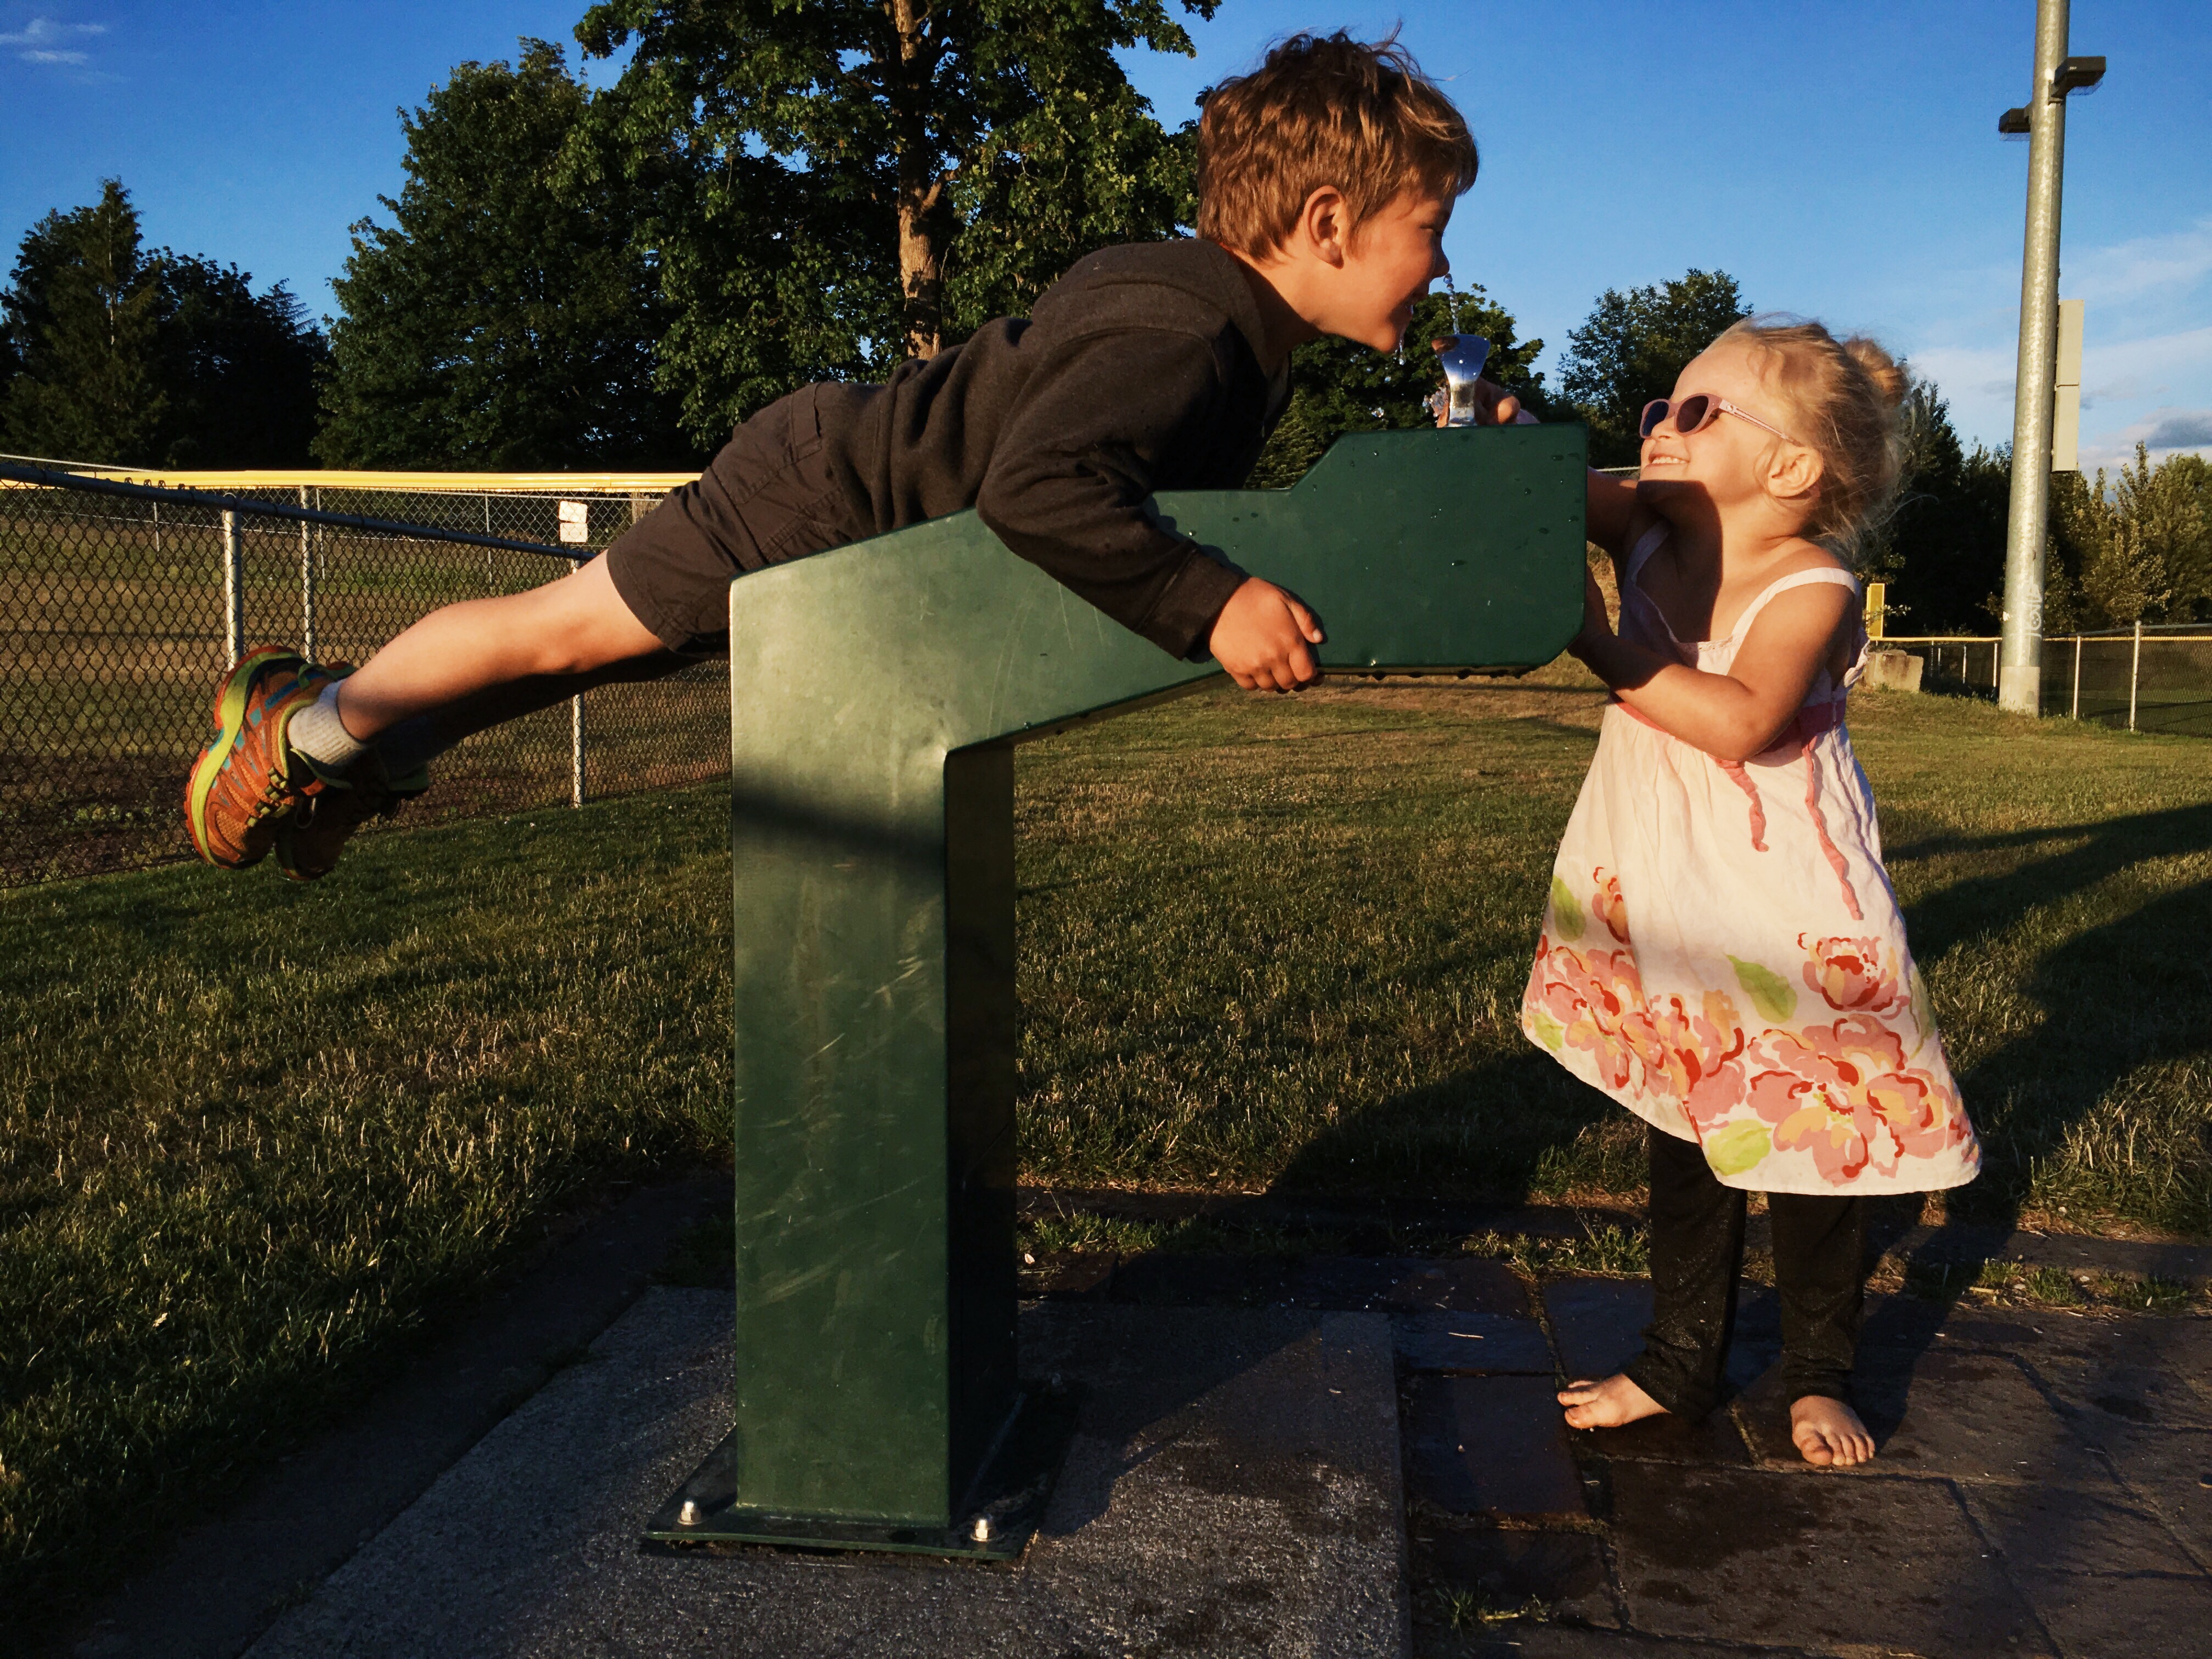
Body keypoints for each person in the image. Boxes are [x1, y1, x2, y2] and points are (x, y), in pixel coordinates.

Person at [185, 31, 1525, 881]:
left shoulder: (1221, 328)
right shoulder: (1184, 334)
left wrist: (1468, 485)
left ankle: (348, 753)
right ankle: (303, 725)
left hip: (851, 511)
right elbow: (1042, 491)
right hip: (823, 499)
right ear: (1331, 219)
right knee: (558, 633)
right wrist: (1211, 599)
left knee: (581, 661)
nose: (1447, 259)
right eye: (1432, 225)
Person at [1521, 318, 1979, 1467]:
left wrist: (1595, 643)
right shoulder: (1650, 519)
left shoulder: (1813, 587)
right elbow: (1541, 477)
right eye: (1657, 410)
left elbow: (1741, 719)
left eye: (1694, 412)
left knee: (1813, 1149)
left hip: (1789, 911)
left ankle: (1819, 1372)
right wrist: (1491, 434)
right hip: (1672, 886)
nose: (1658, 429)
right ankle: (1682, 1358)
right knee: (1685, 1123)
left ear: (1790, 470)